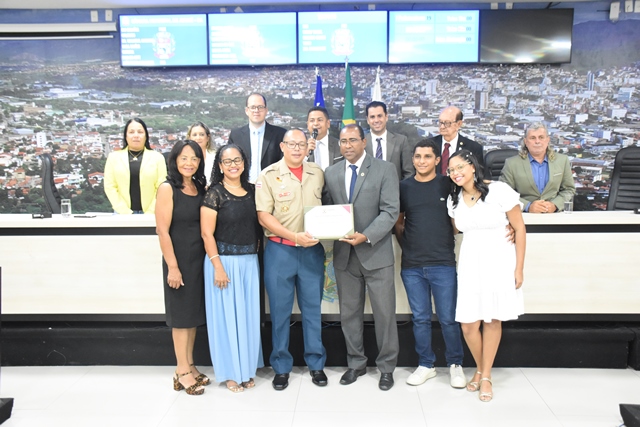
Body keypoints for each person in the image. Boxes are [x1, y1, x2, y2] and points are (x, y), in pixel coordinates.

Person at [322, 124, 400, 391]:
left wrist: (365, 236)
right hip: (345, 256)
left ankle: (387, 368)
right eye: (343, 142)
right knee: (349, 314)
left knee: (385, 315)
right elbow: (326, 211)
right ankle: (355, 364)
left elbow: (390, 212)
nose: (347, 146)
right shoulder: (330, 173)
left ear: (364, 142)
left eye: (353, 140)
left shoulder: (385, 169)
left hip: (376, 253)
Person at [447, 149, 526, 402]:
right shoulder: (454, 199)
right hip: (471, 262)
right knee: (469, 324)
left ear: (472, 166)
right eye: (451, 170)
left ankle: (485, 374)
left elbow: (520, 228)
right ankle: (480, 369)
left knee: (492, 319)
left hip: (499, 260)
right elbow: (457, 230)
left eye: (460, 167)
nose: (455, 173)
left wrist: (519, 268)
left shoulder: (499, 191)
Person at [255, 128, 327, 391]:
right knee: (281, 312)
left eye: (301, 144)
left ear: (308, 147)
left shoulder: (317, 173)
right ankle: (281, 367)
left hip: (311, 252)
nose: (297, 149)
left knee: (312, 311)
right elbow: (264, 216)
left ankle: (316, 364)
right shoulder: (268, 175)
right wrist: (294, 237)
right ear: (282, 147)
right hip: (280, 251)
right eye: (291, 144)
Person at [394, 139, 466, 388]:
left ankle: (456, 364)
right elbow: (399, 222)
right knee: (421, 319)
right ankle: (426, 364)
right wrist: (410, 247)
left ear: (438, 161)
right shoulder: (403, 187)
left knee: (448, 318)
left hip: (443, 263)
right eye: (417, 157)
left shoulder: (449, 184)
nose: (421, 161)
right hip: (412, 265)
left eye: (427, 157)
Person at [200, 143, 264, 393]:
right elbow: (206, 234)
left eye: (237, 160)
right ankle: (230, 374)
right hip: (222, 263)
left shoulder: (252, 191)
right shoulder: (214, 193)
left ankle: (246, 370)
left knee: (248, 319)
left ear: (244, 162)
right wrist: (217, 266)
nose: (233, 164)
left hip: (250, 262)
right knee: (226, 321)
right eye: (228, 161)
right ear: (219, 166)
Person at [155, 140, 208, 396]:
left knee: (192, 318)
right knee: (180, 319)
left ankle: (189, 365)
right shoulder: (168, 188)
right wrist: (172, 267)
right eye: (184, 158)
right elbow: (162, 231)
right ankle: (181, 371)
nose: (189, 163)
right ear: (175, 160)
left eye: (194, 159)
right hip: (179, 261)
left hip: (198, 260)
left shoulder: (198, 186)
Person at [499, 122, 576, 213]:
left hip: (554, 217)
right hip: (524, 217)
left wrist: (555, 205)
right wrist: (528, 206)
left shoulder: (562, 161)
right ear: (525, 142)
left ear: (547, 140)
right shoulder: (511, 163)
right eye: (532, 138)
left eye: (541, 137)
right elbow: (503, 193)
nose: (537, 141)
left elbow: (569, 190)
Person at [104, 118, 167, 214]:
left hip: (153, 214)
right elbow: (110, 187)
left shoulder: (158, 158)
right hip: (121, 214)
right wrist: (124, 211)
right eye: (131, 132)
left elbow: (162, 188)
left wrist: (150, 212)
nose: (136, 135)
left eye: (140, 132)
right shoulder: (113, 158)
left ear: (146, 136)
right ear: (126, 136)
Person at [228, 93, 287, 182]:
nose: (256, 110)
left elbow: (285, 163)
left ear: (266, 110)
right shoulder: (236, 135)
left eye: (260, 107)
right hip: (242, 188)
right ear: (246, 110)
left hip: (271, 187)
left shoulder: (280, 134)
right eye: (253, 107)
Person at [364, 101, 414, 180]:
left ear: (386, 117)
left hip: (395, 191)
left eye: (379, 116)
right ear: (367, 120)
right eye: (372, 117)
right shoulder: (361, 144)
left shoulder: (401, 141)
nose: (376, 120)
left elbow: (409, 173)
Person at [431, 106, 484, 176]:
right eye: (440, 122)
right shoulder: (429, 145)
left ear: (458, 124)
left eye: (447, 123)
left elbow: (480, 177)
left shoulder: (473, 148)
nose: (442, 127)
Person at [306, 106, 342, 171]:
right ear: (307, 125)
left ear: (328, 123)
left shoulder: (339, 145)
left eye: (319, 120)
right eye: (312, 120)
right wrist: (305, 154)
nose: (316, 123)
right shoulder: (302, 147)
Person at [187, 121, 216, 185]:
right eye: (194, 135)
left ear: (208, 137)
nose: (198, 138)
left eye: (202, 134)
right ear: (189, 138)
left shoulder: (216, 156)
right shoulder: (183, 158)